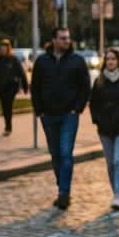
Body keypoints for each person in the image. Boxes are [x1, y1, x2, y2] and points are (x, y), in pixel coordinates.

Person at [31, 27, 90, 210]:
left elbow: (85, 86)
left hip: (68, 115)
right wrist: (39, 110)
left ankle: (64, 193)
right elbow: (36, 86)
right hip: (48, 115)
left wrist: (77, 109)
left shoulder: (77, 61)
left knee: (65, 153)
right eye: (63, 38)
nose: (67, 41)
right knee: (55, 154)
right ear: (54, 40)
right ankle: (62, 187)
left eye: (68, 38)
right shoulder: (42, 61)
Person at [89, 48, 119, 210]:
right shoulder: (99, 81)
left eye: (113, 59)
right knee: (110, 163)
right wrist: (97, 120)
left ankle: (118, 195)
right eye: (108, 59)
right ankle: (115, 191)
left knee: (118, 161)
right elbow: (94, 103)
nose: (110, 62)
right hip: (105, 129)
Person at [0, 39, 28, 136]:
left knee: (8, 105)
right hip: (1, 87)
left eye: (5, 47)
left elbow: (21, 73)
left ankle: (8, 127)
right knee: (4, 107)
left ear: (8, 48)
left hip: (11, 87)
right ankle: (7, 124)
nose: (3, 49)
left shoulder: (13, 59)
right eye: (1, 47)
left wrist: (25, 86)